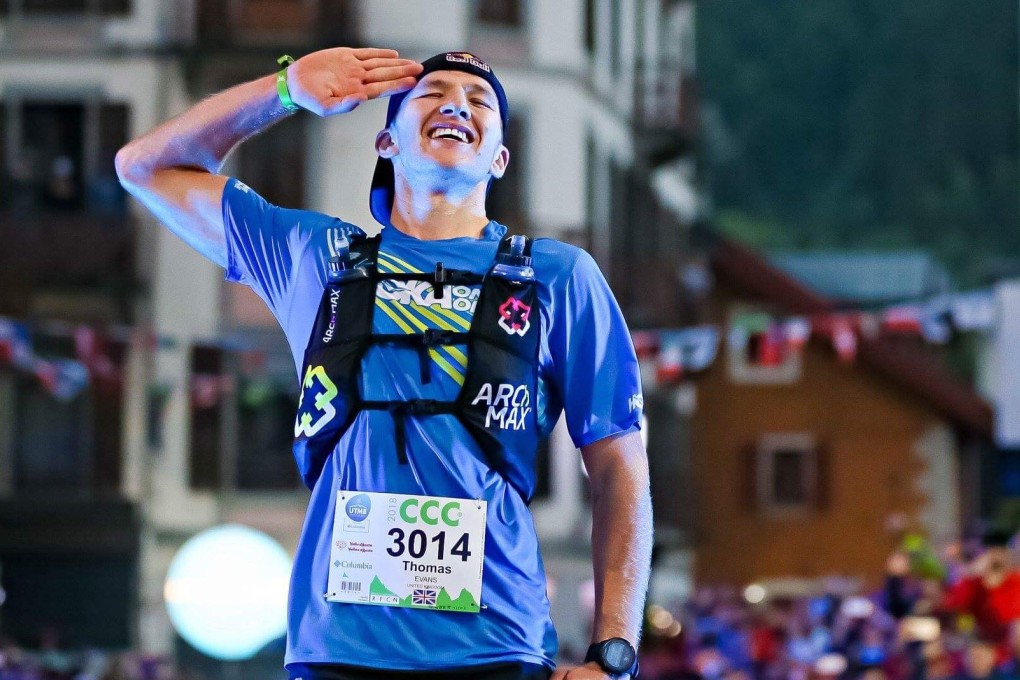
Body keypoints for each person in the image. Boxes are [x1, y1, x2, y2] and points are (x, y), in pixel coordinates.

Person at [115, 47, 652, 680]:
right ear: (387, 140)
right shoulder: (315, 259)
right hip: (336, 652)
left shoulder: (558, 276)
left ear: (499, 158)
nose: (456, 104)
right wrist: (287, 89)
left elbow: (619, 465)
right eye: (432, 93)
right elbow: (143, 168)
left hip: (498, 649)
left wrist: (612, 655)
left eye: (480, 101)